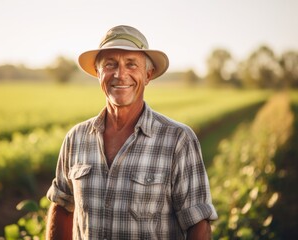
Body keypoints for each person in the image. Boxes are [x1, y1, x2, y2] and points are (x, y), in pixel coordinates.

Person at [46, 25, 218, 240]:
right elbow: (62, 207)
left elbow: (198, 226)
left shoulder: (178, 140)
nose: (120, 74)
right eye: (110, 64)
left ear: (148, 75)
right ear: (98, 74)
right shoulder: (76, 138)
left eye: (131, 64)